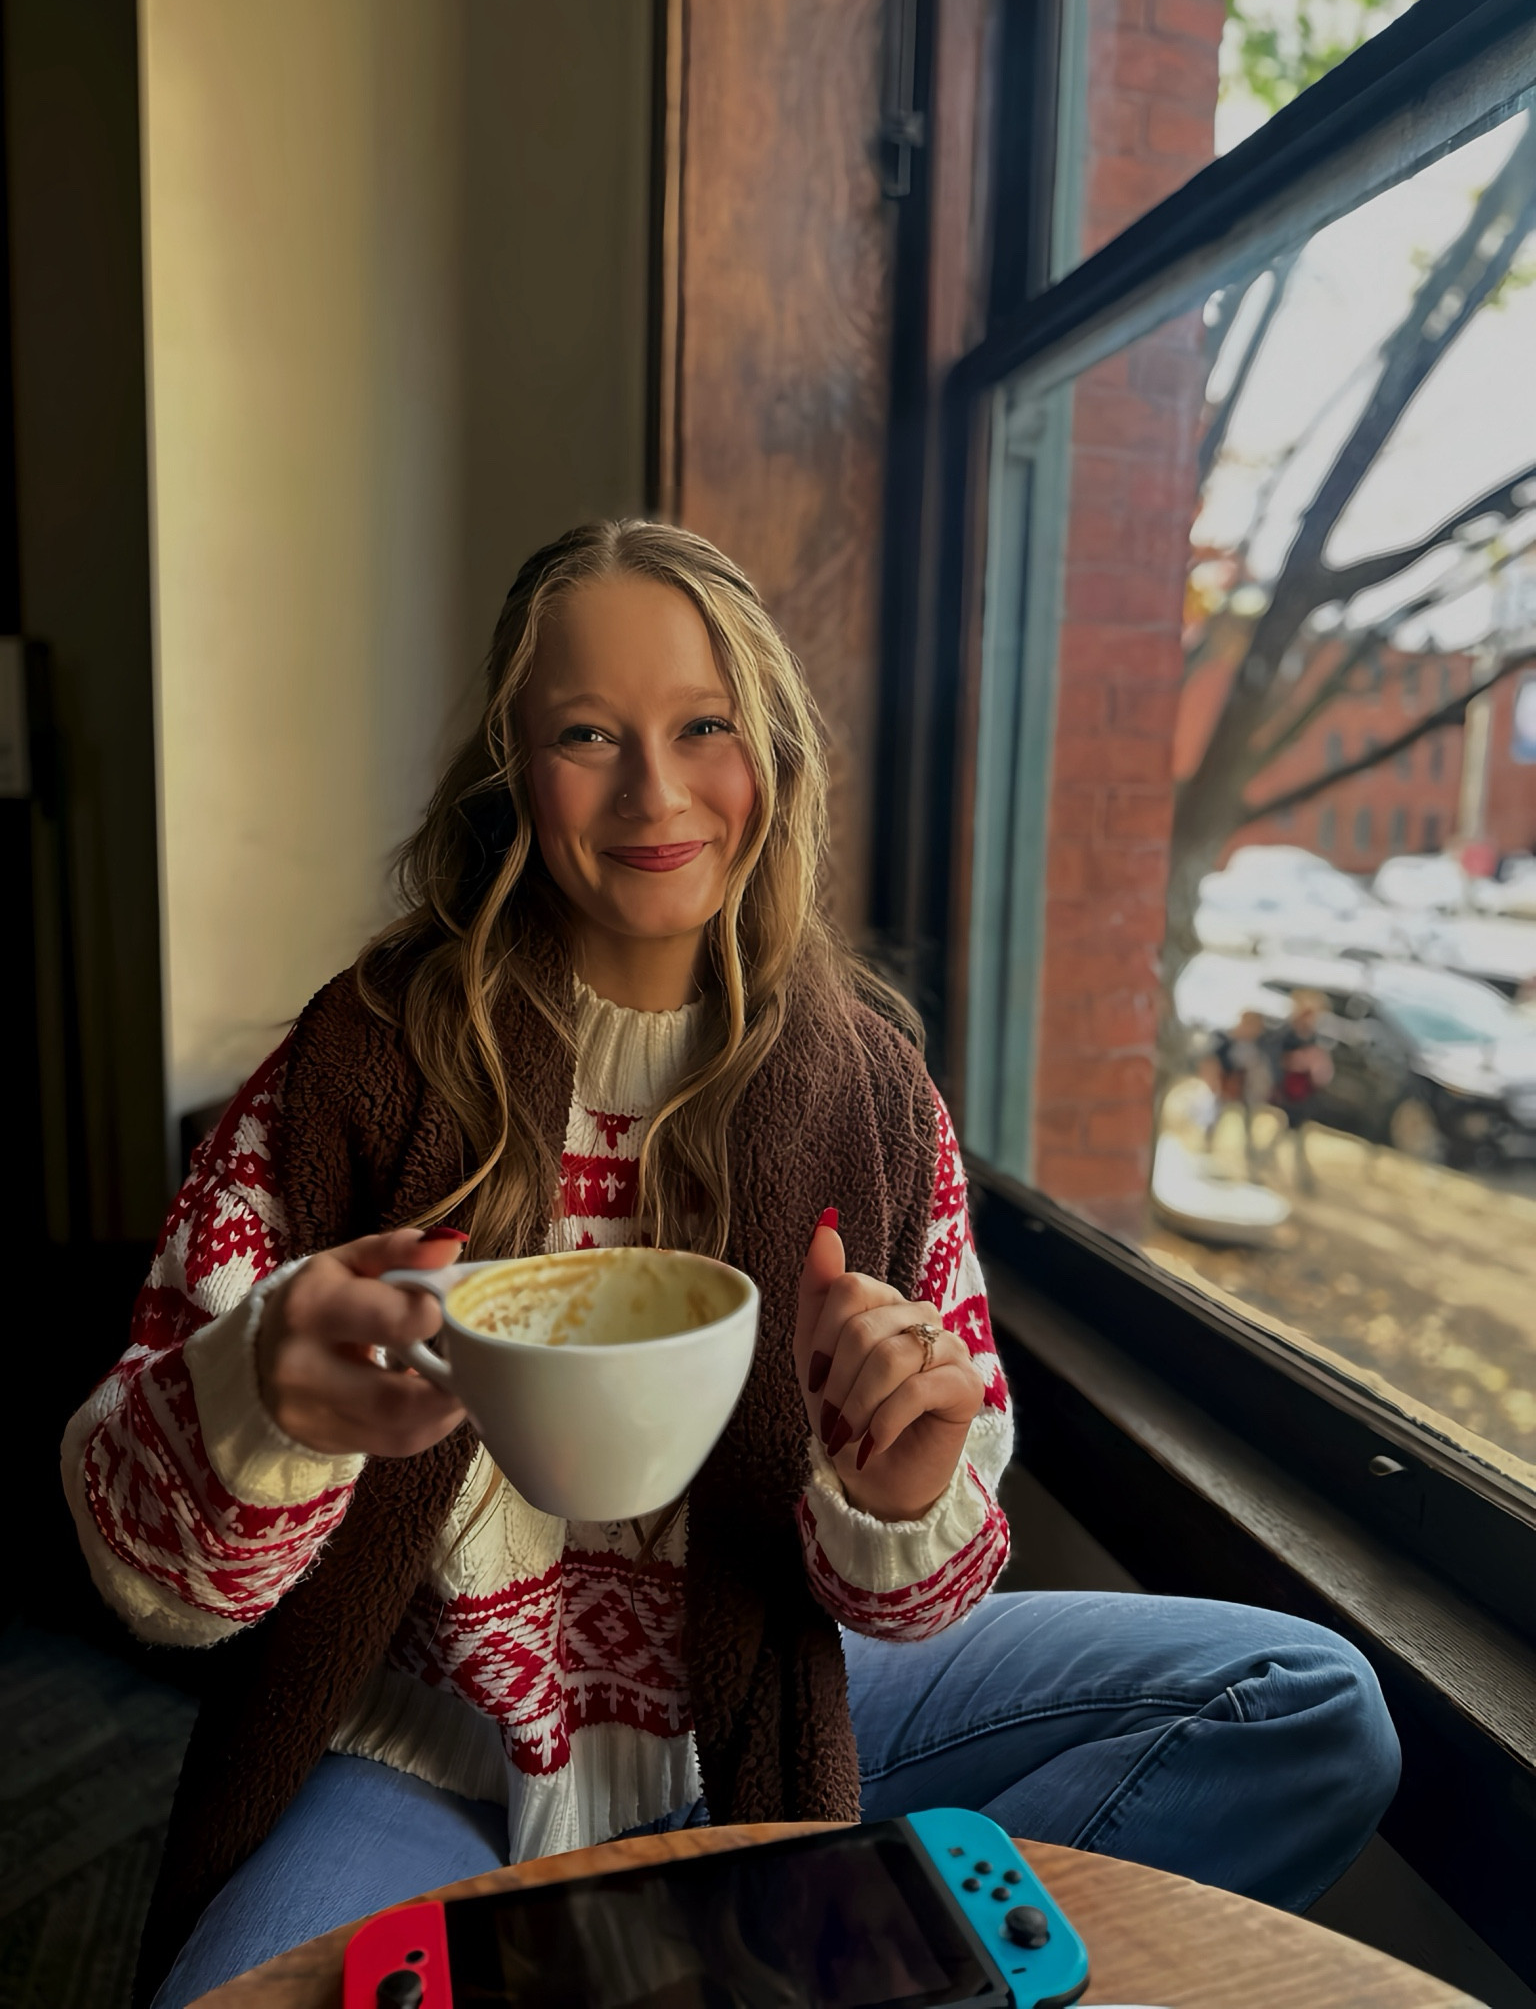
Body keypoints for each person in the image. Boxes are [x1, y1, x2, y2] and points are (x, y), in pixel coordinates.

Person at [63, 522, 1398, 2008]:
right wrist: (261, 1400)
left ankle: (792, 1960)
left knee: (1307, 1705)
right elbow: (146, 1584)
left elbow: (918, 1599)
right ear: (512, 771)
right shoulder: (359, 1064)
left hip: (778, 1698)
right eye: (587, 735)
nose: (656, 790)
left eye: (705, 725)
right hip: (423, 1750)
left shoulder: (871, 1094)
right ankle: (766, 1963)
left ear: (772, 753)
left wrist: (898, 1493)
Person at [1274, 991, 1335, 1194]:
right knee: (1293, 1138)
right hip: (1289, 1093)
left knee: (1290, 1136)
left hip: (1303, 1095)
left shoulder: (1314, 1038)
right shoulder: (1287, 1034)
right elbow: (1278, 1060)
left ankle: (1302, 1180)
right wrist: (1301, 1060)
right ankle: (1305, 1182)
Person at [1197, 1008, 1274, 1171]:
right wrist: (1215, 1082)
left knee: (1248, 1125)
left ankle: (1250, 1161)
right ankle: (1206, 1150)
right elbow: (1211, 1063)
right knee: (1214, 1117)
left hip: (1246, 1091)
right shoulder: (1224, 1040)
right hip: (1225, 1087)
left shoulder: (1259, 1046)